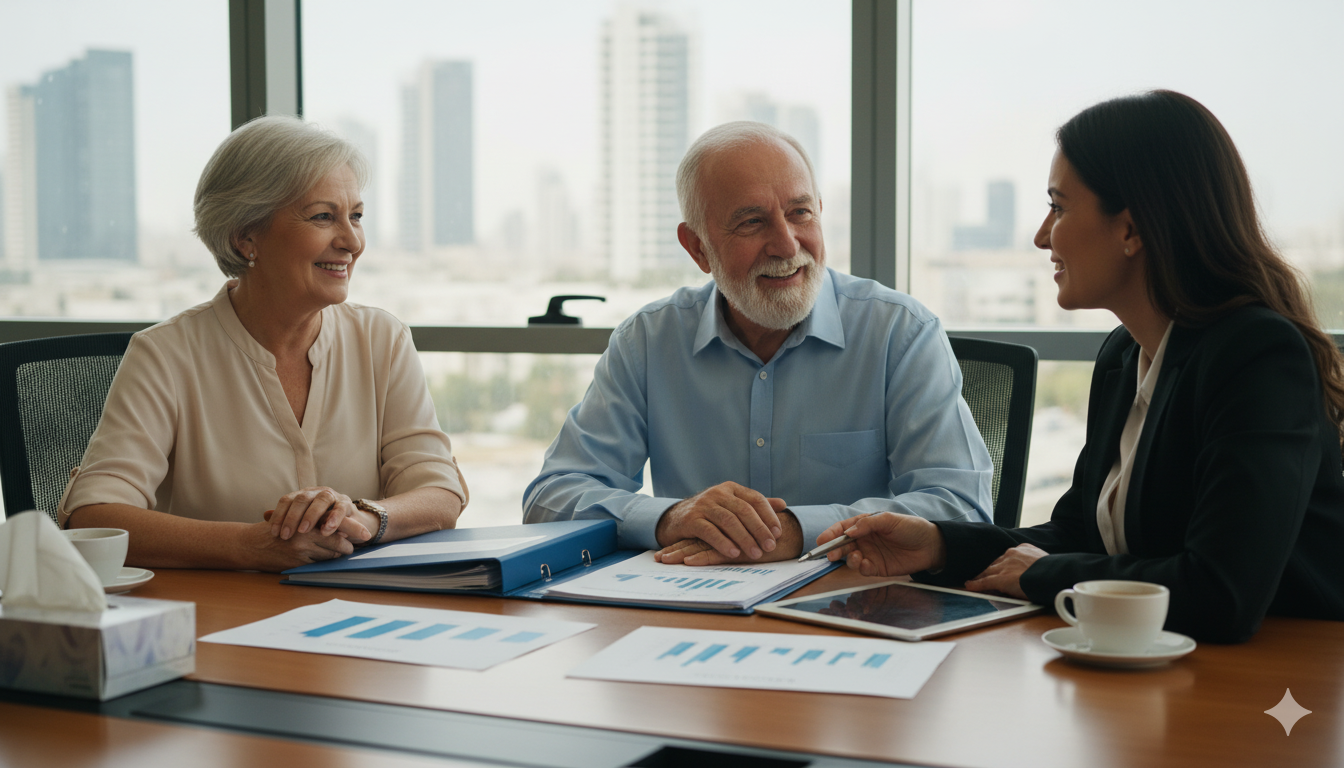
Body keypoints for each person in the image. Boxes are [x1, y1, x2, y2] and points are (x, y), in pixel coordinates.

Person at [817, 90, 1344, 643]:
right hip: (1158, 665)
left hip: (1282, 683)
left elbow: (1220, 590)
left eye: (1059, 207)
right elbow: (1077, 533)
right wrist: (938, 544)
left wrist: (1045, 577)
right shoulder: (1124, 355)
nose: (1043, 235)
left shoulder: (1257, 356)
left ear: (1132, 229)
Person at [523, 121, 993, 565]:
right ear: (698, 248)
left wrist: (796, 531)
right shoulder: (648, 341)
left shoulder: (899, 333)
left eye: (800, 213)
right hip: (690, 616)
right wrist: (669, 518)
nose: (787, 246)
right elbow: (551, 498)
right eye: (752, 222)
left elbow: (963, 507)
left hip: (854, 612)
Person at [59, 116, 468, 572]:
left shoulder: (382, 340)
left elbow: (440, 493)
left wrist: (364, 517)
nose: (352, 242)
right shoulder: (165, 356)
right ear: (246, 237)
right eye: (323, 217)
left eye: (355, 216)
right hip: (220, 622)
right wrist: (247, 545)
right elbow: (93, 517)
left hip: (361, 614)